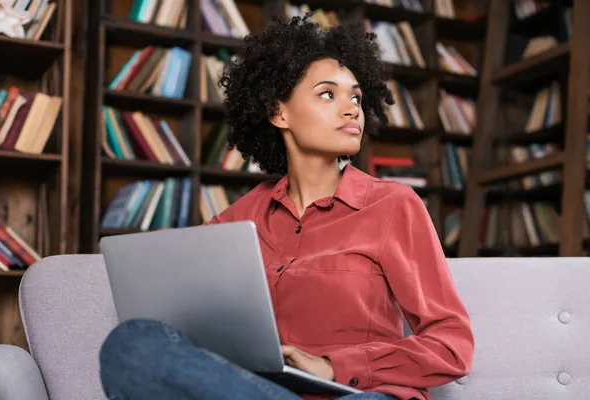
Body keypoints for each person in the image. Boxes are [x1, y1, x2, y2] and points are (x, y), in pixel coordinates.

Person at [98, 15, 475, 400]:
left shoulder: (393, 205)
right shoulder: (243, 216)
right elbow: (175, 281)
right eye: (328, 94)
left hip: (364, 397)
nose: (352, 110)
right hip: (264, 391)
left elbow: (451, 343)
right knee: (131, 344)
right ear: (279, 112)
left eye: (356, 97)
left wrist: (333, 366)